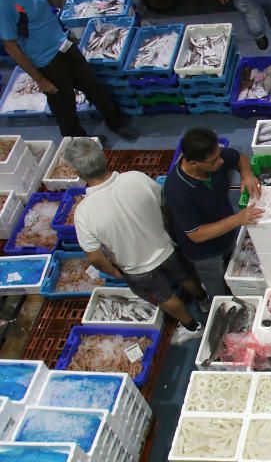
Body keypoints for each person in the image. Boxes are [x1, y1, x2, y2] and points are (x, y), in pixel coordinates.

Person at [63, 138, 206, 344]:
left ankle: (192, 326)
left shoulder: (84, 213)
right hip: (165, 246)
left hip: (137, 268)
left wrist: (113, 271)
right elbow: (163, 204)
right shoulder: (136, 178)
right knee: (185, 275)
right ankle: (203, 299)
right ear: (104, 158)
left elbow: (94, 256)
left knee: (164, 297)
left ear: (78, 172)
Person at [0, 0, 139, 141]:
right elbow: (10, 46)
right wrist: (40, 80)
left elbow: (56, 4)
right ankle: (79, 142)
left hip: (64, 45)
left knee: (93, 86)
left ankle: (116, 122)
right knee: (64, 106)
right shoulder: (4, 4)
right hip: (46, 61)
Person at [164, 129, 263, 300]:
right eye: (214, 160)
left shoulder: (214, 157)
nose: (221, 161)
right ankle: (214, 302)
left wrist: (247, 174)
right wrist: (238, 219)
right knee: (216, 283)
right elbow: (196, 235)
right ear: (194, 163)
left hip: (227, 231)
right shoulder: (177, 190)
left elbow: (239, 158)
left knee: (234, 261)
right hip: (205, 252)